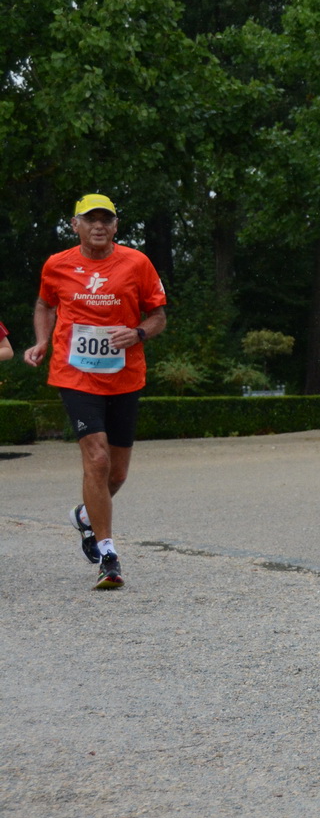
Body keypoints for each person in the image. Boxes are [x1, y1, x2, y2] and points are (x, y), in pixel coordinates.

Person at [24, 194, 168, 590]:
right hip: (75, 374)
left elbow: (158, 316)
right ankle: (107, 554)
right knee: (98, 458)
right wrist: (41, 341)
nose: (98, 226)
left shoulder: (137, 263)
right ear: (76, 225)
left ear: (116, 226)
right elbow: (44, 304)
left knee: (117, 473)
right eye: (90, 220)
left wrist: (138, 333)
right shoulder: (57, 264)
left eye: (106, 219)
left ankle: (86, 516)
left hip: (124, 376)